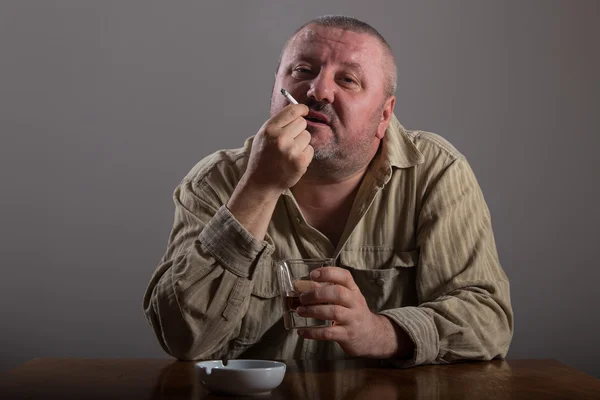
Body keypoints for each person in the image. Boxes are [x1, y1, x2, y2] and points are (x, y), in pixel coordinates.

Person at [143, 15, 513, 367]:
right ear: (276, 86)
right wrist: (259, 187)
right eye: (303, 71)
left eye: (348, 80)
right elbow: (183, 340)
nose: (317, 90)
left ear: (384, 115)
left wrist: (379, 332)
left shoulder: (435, 172)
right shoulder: (214, 182)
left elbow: (488, 323)